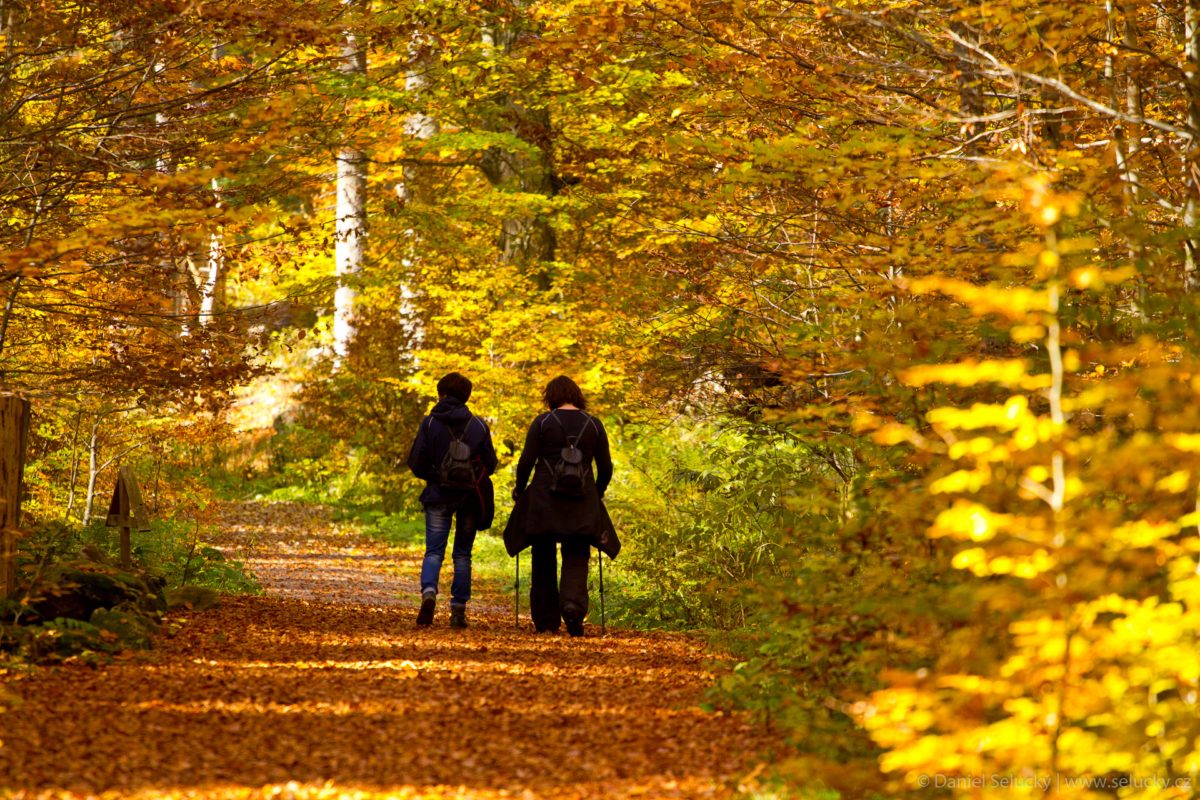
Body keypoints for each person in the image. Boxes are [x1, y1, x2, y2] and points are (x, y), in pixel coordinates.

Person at [503, 375, 619, 636]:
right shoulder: (594, 424)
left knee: (542, 555)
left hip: (544, 499)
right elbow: (606, 466)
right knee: (576, 554)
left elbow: (526, 461)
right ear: (576, 395)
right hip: (582, 500)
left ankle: (546, 621)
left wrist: (520, 490)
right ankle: (572, 606)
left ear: (551, 397)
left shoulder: (543, 422)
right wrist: (596, 491)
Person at [406, 372, 497, 629]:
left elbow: (416, 461)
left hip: (438, 495)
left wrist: (436, 477)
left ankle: (429, 593)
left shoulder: (430, 423)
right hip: (468, 498)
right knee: (462, 555)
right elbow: (490, 463)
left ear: (441, 394)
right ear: (466, 396)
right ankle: (458, 610)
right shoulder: (478, 425)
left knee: (434, 551)